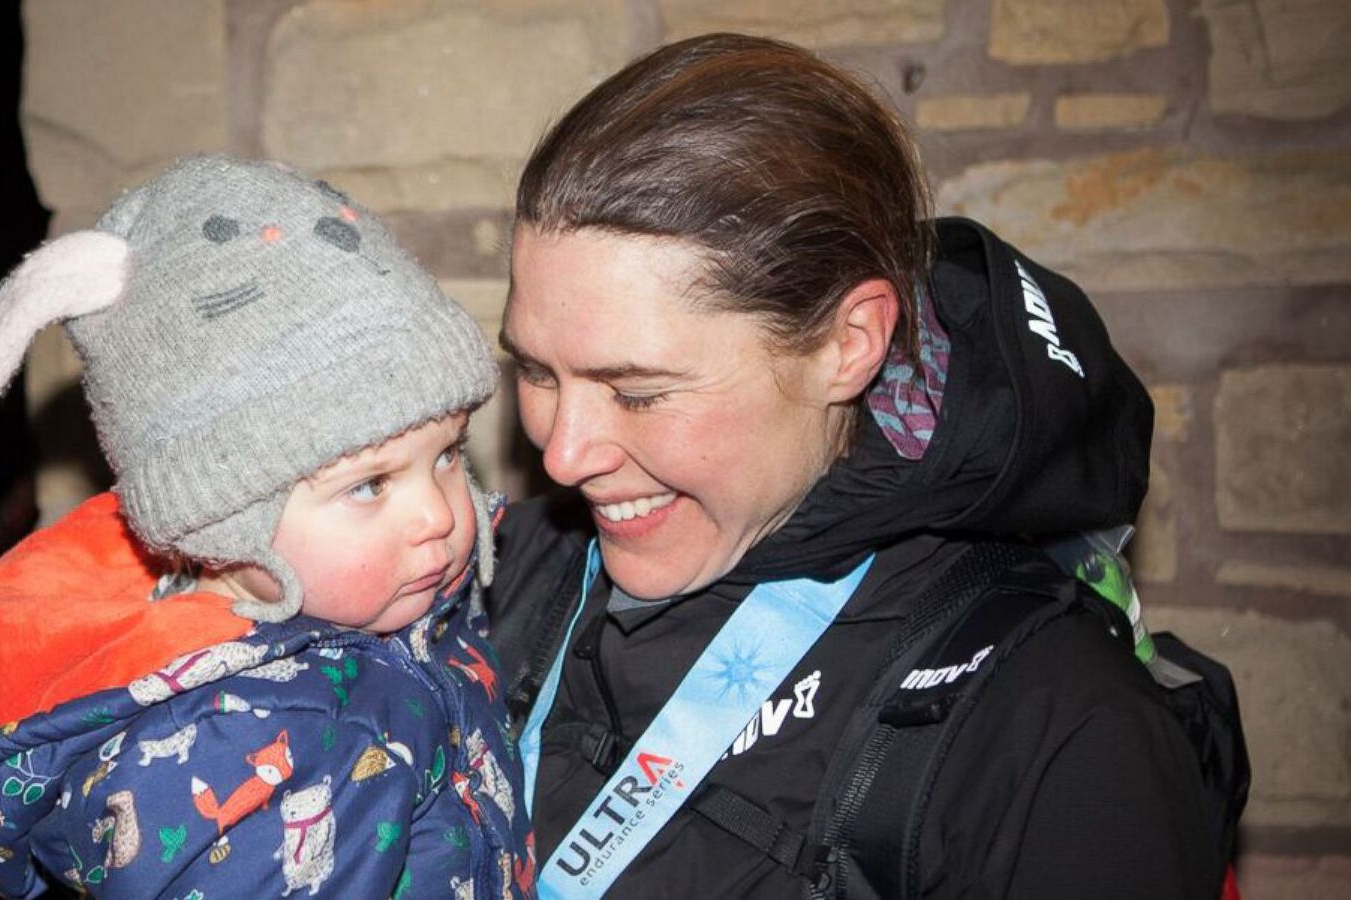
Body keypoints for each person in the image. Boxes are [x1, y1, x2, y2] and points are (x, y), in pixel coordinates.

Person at [485, 33, 1224, 899]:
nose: (564, 454)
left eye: (637, 392)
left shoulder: (1052, 729)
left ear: (850, 342)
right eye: (535, 372)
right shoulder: (497, 569)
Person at [0, 156, 534, 898]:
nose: (439, 514)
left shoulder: (388, 611)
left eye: (449, 454)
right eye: (369, 485)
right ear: (220, 520)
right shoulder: (248, 744)